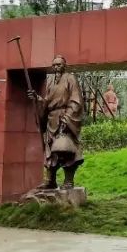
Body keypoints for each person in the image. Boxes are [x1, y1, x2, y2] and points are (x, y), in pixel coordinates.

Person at [29, 55, 84, 189]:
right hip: (51, 120)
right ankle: (50, 180)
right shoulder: (50, 81)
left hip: (65, 118)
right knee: (50, 151)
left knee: (67, 150)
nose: (56, 67)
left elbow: (76, 100)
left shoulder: (70, 79)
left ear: (64, 65)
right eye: (54, 65)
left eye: (59, 64)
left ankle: (68, 181)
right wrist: (37, 99)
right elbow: (47, 102)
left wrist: (68, 117)